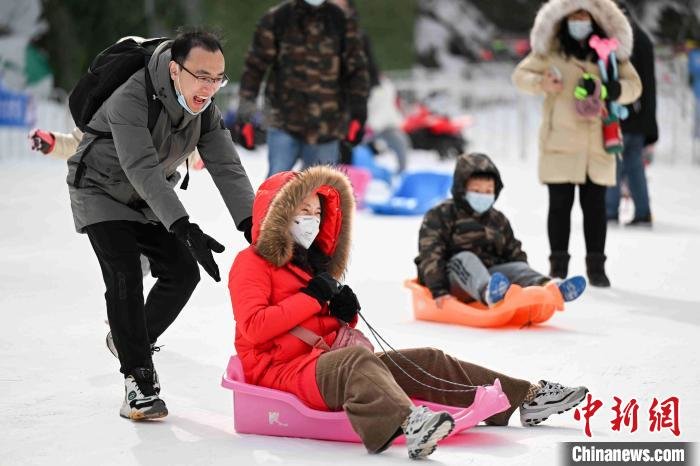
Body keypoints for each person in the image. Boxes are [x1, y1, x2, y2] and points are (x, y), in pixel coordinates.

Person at [228, 165, 588, 459]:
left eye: (317, 212)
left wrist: (342, 312)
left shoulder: (311, 264)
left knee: (426, 359)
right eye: (302, 211)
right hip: (279, 373)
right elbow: (255, 328)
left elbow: (317, 322)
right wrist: (311, 298)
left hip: (323, 362)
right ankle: (410, 422)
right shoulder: (251, 263)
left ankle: (525, 396)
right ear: (279, 215)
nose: (312, 220)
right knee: (357, 361)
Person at [66, 30, 255, 420]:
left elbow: (226, 166)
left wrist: (252, 224)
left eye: (218, 78)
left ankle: (130, 340)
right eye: (201, 75)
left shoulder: (205, 111)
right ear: (174, 69)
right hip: (100, 190)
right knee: (123, 275)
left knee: (183, 273)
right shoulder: (131, 97)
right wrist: (183, 226)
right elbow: (142, 169)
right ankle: (138, 382)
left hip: (145, 200)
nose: (209, 87)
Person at [512, 0, 642, 287]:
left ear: (596, 21)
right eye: (574, 17)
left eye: (585, 17)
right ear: (563, 21)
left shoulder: (608, 55)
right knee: (559, 205)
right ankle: (557, 265)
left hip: (598, 142)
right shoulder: (551, 53)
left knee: (595, 207)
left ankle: (597, 266)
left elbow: (635, 86)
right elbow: (520, 75)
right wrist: (543, 83)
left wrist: (612, 89)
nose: (579, 22)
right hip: (560, 141)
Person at [415, 152, 586, 308]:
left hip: (493, 279)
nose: (483, 196)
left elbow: (513, 251)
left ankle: (550, 288)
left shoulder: (497, 220)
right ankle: (489, 293)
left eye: (488, 191)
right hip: (451, 280)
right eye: (476, 191)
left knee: (518, 267)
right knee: (465, 258)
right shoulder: (441, 215)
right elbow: (430, 254)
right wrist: (439, 290)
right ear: (461, 190)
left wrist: (520, 277)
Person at [236, 0, 370, 177]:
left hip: (326, 125)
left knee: (320, 189)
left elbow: (356, 71)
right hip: (283, 120)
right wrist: (245, 114)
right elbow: (254, 67)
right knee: (277, 186)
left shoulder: (341, 20)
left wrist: (358, 113)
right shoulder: (278, 18)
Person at [605, 2, 657, 227]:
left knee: (615, 164)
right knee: (634, 166)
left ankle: (610, 211)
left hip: (625, 115)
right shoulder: (642, 39)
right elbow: (651, 86)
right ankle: (642, 211)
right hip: (639, 117)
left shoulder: (626, 42)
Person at [29, 127, 204, 168]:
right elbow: (79, 144)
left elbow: (171, 145)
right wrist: (51, 142)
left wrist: (197, 157)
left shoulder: (156, 104)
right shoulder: (99, 103)